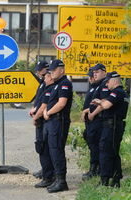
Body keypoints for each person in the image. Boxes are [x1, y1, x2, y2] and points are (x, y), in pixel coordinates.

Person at [88, 71, 129, 187]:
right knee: (113, 152)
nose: (106, 85)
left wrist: (99, 102)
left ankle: (104, 180)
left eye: (107, 82)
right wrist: (102, 102)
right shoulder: (121, 93)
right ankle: (116, 179)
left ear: (114, 81)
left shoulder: (117, 92)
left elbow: (106, 105)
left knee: (105, 152)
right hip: (115, 126)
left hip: (112, 126)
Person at [42, 59, 73, 193]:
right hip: (52, 121)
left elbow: (61, 103)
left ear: (62, 70)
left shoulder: (65, 83)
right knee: (52, 151)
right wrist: (45, 111)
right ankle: (56, 178)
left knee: (57, 151)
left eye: (54, 70)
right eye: (51, 71)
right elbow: (49, 102)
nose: (52, 73)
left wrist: (48, 112)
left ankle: (62, 181)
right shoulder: (56, 84)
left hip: (59, 121)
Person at [81, 63, 110, 181]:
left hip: (97, 121)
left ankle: (95, 170)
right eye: (93, 73)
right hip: (91, 122)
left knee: (95, 147)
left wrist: (89, 112)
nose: (94, 75)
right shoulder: (95, 86)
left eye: (97, 72)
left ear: (104, 72)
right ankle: (94, 169)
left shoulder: (104, 85)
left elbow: (103, 102)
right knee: (92, 146)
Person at [33, 71, 56, 188]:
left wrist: (35, 117)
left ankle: (48, 177)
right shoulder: (47, 87)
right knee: (44, 149)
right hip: (44, 123)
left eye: (47, 77)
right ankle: (49, 175)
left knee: (44, 150)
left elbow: (43, 107)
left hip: (45, 123)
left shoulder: (50, 89)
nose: (45, 79)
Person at [28, 60, 49, 179]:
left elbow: (45, 103)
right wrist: (33, 108)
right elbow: (38, 100)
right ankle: (44, 169)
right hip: (39, 117)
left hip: (43, 119)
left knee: (44, 146)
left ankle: (47, 172)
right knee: (40, 146)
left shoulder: (48, 84)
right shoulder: (41, 83)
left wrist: (36, 115)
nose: (38, 72)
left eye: (40, 70)